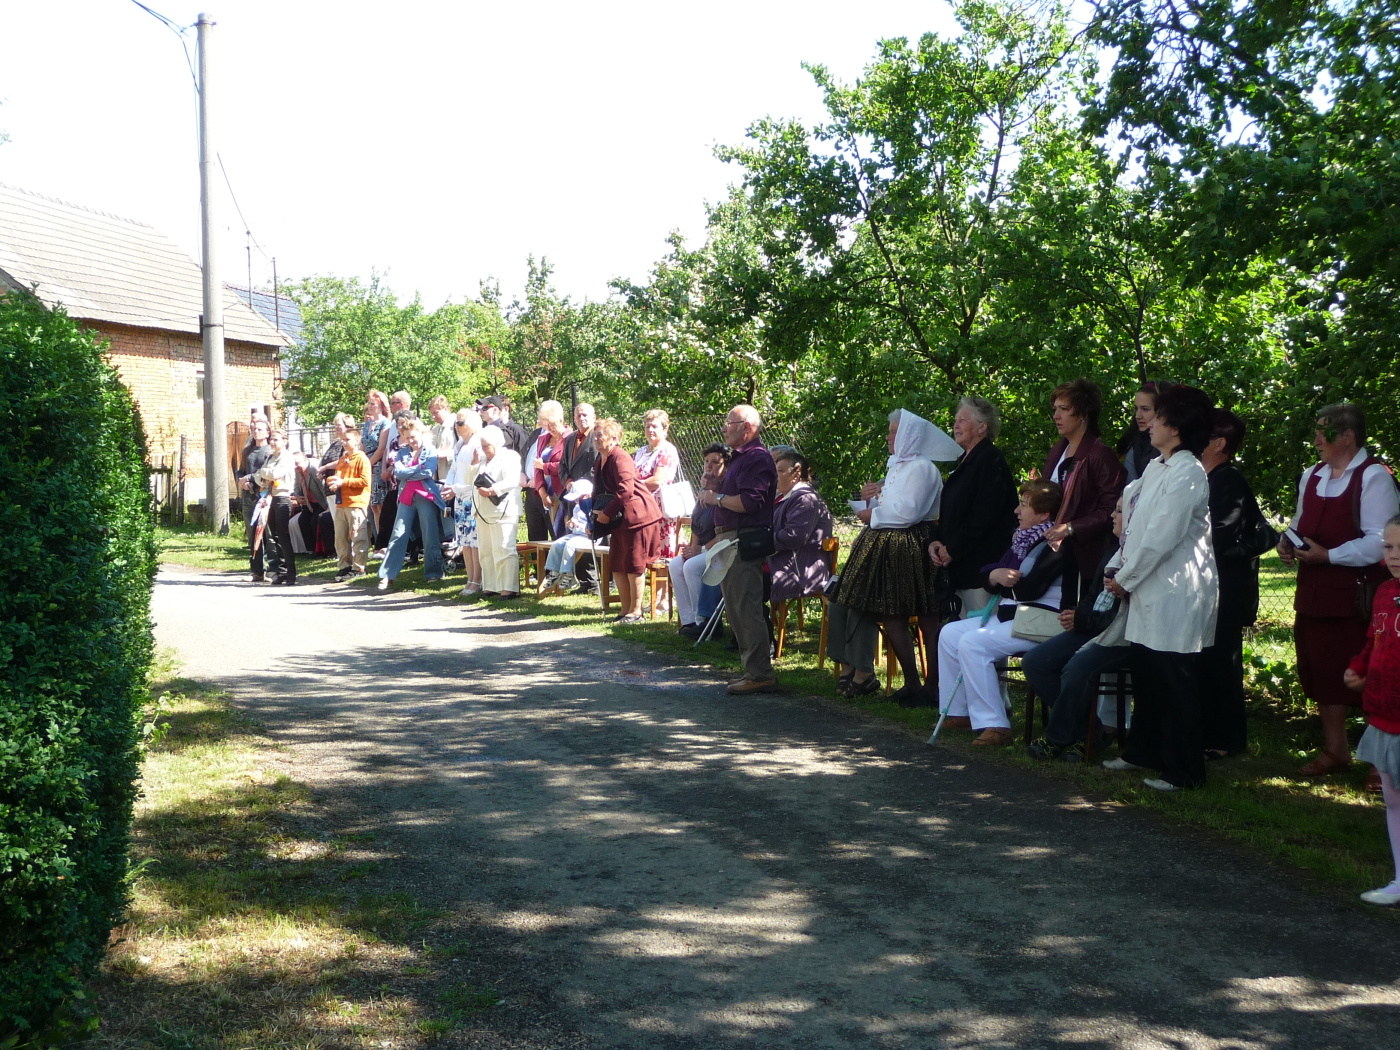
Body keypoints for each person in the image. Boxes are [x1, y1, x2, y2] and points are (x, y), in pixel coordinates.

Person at [1101, 384, 1218, 791]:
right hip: (1147, 589)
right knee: (1148, 677)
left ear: (1178, 427)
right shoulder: (1156, 467)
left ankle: (1184, 769)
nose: (1149, 422)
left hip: (1175, 591)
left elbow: (1162, 536)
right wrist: (1121, 567)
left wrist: (1125, 577)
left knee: (1173, 680)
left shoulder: (1189, 472)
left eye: (1159, 416)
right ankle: (1143, 751)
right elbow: (1135, 526)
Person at [1279, 403, 1399, 776]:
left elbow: (1381, 541)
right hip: (1315, 591)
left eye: (1325, 432)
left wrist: (1329, 555)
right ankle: (1336, 750)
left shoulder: (1373, 476)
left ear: (1348, 436)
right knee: (1322, 668)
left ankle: (1381, 761)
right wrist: (1288, 541)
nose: (1317, 439)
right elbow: (1300, 521)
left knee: (1372, 672)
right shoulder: (1311, 475)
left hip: (1359, 597)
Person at [827, 409, 959, 705]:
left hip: (913, 545)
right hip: (891, 546)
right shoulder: (898, 465)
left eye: (894, 432)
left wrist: (872, 514)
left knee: (926, 616)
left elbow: (909, 512)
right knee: (893, 615)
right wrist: (872, 498)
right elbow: (893, 504)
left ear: (909, 436)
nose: (888, 437)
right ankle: (911, 683)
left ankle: (932, 686)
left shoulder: (923, 468)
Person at [935, 479, 1067, 745]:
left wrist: (998, 578)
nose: (1017, 511)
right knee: (950, 633)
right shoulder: (1022, 539)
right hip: (1015, 617)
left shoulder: (1056, 544)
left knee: (974, 643)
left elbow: (1030, 588)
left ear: (1044, 514)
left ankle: (995, 724)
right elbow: (993, 578)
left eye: (1024, 505)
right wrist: (994, 576)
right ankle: (961, 713)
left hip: (1041, 621)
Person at [1024, 496, 1130, 762]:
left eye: (1119, 511)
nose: (1112, 516)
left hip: (1122, 636)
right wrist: (1078, 616)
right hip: (1092, 627)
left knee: (1077, 667)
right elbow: (1093, 595)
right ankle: (1090, 733)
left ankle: (1056, 738)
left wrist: (1081, 619)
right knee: (1035, 661)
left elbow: (1119, 617)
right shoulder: (1114, 549)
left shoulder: (1140, 556)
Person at [1200, 409, 1274, 759]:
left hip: (1225, 587)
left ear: (1219, 443)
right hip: (1210, 583)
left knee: (1221, 661)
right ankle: (1209, 732)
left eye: (1203, 434)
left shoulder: (1226, 479)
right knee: (1209, 658)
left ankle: (1224, 739)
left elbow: (1221, 535)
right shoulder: (1208, 477)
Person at [695, 405, 779, 693]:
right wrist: (716, 484)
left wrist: (716, 497)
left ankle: (761, 674)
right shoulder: (740, 457)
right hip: (729, 539)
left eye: (729, 423)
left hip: (742, 540)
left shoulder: (757, 458)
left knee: (746, 608)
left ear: (747, 427)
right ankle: (753, 671)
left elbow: (750, 502)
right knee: (735, 608)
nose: (724, 428)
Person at [1345, 514, 1400, 906]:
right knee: (1393, 799)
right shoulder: (1383, 592)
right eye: (1389, 547)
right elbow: (1374, 640)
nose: (1394, 555)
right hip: (1383, 717)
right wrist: (1359, 668)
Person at [927, 396, 1018, 615]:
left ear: (982, 427)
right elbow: (951, 514)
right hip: (961, 569)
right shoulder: (966, 462)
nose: (955, 425)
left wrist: (953, 549)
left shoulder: (990, 460)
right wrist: (936, 541)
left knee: (980, 631)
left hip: (981, 572)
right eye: (955, 420)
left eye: (963, 420)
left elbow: (984, 517)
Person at [1041, 379, 1127, 602]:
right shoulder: (1058, 450)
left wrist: (1071, 528)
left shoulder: (1101, 455)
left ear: (1083, 414)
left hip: (1085, 557)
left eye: (1064, 409)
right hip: (1055, 549)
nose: (1056, 416)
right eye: (1055, 409)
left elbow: (1111, 509)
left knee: (1072, 614)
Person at [593, 417, 665, 623]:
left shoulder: (620, 457)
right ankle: (624, 611)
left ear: (613, 438)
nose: (596, 439)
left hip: (638, 518)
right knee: (618, 563)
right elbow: (598, 491)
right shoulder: (600, 459)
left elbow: (626, 489)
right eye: (595, 435)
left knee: (634, 565)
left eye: (600, 435)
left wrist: (607, 514)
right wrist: (595, 519)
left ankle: (636, 612)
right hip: (619, 519)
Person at [376, 417, 446, 591]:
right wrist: (417, 469)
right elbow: (398, 473)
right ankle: (387, 575)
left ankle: (434, 572)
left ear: (421, 433)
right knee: (398, 534)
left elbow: (428, 472)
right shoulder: (402, 452)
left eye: (413, 436)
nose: (411, 441)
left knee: (430, 534)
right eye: (407, 438)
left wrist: (409, 472)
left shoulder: (430, 450)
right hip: (406, 496)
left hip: (425, 496)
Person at [671, 444, 730, 638]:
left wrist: (702, 548)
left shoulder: (726, 493)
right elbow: (696, 524)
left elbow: (725, 530)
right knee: (676, 564)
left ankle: (705, 621)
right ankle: (688, 621)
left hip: (722, 548)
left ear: (726, 466)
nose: (709, 466)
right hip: (704, 548)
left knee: (692, 567)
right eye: (706, 462)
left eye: (715, 462)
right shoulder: (704, 491)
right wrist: (693, 547)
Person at [769, 449, 834, 606]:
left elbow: (794, 536)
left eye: (780, 471)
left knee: (746, 577)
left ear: (796, 474)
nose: (775, 476)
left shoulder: (805, 498)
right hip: (782, 563)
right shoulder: (788, 497)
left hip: (799, 571)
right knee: (742, 572)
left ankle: (756, 621)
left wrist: (761, 542)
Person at [472, 424, 523, 598]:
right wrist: (474, 463)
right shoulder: (482, 460)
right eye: (482, 445)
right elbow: (469, 480)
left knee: (504, 548)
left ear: (497, 443)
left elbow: (512, 480)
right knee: (486, 550)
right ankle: (491, 586)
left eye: (487, 445)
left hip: (503, 509)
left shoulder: (509, 456)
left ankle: (508, 587)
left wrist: (492, 490)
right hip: (482, 510)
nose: (484, 449)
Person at [556, 403, 600, 592]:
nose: (582, 418)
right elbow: (562, 466)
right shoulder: (570, 439)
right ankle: (583, 580)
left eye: (585, 415)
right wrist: (568, 482)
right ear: (573, 419)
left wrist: (586, 488)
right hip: (572, 495)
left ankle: (598, 581)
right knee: (576, 532)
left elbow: (599, 466)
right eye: (578, 415)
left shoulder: (598, 436)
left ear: (594, 416)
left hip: (592, 494)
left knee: (592, 534)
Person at [445, 409, 485, 596]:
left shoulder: (478, 443)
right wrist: (448, 486)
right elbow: (453, 469)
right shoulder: (459, 444)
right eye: (456, 423)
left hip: (471, 497)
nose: (457, 426)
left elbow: (475, 476)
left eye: (461, 423)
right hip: (459, 498)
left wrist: (454, 488)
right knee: (464, 541)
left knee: (474, 541)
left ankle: (477, 579)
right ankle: (469, 579)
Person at [633, 409, 682, 560]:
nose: (650, 430)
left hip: (660, 510)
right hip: (641, 508)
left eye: (654, 426)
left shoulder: (667, 450)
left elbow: (657, 480)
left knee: (661, 557)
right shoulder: (641, 451)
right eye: (647, 426)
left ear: (665, 429)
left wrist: (632, 486)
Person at [254, 429, 298, 586]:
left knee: (283, 535)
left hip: (282, 498)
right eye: (271, 439)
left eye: (276, 439)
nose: (272, 442)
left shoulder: (287, 457)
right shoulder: (270, 456)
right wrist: (265, 475)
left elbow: (275, 473)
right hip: (270, 497)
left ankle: (291, 572)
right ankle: (282, 571)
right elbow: (258, 477)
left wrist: (265, 473)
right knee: (275, 536)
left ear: (284, 441)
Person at [327, 426, 371, 580]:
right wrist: (332, 481)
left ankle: (359, 567)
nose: (344, 442)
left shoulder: (362, 458)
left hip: (356, 503)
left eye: (347, 440)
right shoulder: (343, 459)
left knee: (358, 536)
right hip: (341, 503)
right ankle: (344, 566)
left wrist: (343, 482)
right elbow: (338, 477)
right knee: (340, 538)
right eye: (342, 440)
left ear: (357, 441)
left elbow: (364, 481)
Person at [522, 400, 569, 541]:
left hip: (562, 494)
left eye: (552, 424)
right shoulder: (543, 438)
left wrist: (545, 467)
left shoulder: (571, 438)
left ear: (561, 420)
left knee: (561, 537)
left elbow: (567, 466)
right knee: (537, 538)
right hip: (542, 493)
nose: (549, 428)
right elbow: (536, 467)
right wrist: (542, 493)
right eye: (545, 424)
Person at [539, 480, 596, 594]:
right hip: (576, 535)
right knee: (557, 544)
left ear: (587, 495)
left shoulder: (593, 508)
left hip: (589, 537)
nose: (576, 501)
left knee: (570, 545)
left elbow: (593, 528)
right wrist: (571, 524)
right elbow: (575, 523)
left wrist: (579, 525)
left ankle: (569, 575)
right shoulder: (577, 507)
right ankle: (554, 572)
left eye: (578, 498)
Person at [236, 416, 274, 582]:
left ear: (267, 432)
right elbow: (240, 470)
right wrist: (242, 481)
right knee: (252, 535)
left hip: (264, 497)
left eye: (259, 429)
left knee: (268, 534)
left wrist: (250, 478)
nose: (256, 432)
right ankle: (257, 571)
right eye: (254, 429)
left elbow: (267, 473)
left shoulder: (270, 451)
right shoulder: (248, 451)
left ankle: (273, 570)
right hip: (248, 497)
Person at [1116, 380, 1174, 483]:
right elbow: (1131, 487)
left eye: (1145, 409)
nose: (1138, 416)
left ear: (1163, 411)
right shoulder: (1135, 445)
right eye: (1136, 409)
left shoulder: (1178, 447)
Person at [362, 390, 391, 550]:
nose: (370, 406)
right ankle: (379, 543)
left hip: (378, 466)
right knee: (373, 506)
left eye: (373, 403)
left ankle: (385, 543)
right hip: (367, 467)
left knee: (381, 505)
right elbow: (361, 445)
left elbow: (381, 449)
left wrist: (367, 465)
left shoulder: (385, 424)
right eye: (369, 403)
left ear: (381, 405)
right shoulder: (367, 424)